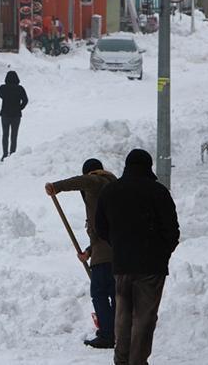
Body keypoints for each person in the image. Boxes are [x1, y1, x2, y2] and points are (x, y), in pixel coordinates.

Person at [95, 149, 180, 365]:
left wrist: (118, 246)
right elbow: (172, 230)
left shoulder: (110, 191)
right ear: (148, 166)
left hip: (122, 264)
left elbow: (100, 228)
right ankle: (137, 362)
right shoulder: (158, 191)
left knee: (122, 317)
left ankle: (121, 360)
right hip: (151, 267)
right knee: (145, 318)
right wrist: (161, 253)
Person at [45, 159, 118, 349]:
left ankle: (108, 335)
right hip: (118, 252)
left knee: (100, 293)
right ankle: (120, 332)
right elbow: (106, 229)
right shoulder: (113, 186)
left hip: (105, 258)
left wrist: (57, 187)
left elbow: (83, 181)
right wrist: (89, 251)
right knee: (115, 293)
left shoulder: (96, 181)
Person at [0, 70, 28, 162]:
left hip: (5, 114)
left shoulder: (2, 88)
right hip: (16, 115)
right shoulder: (20, 89)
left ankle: (4, 154)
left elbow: (0, 95)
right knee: (14, 135)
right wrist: (20, 107)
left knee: (5, 135)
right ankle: (12, 153)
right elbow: (25, 100)